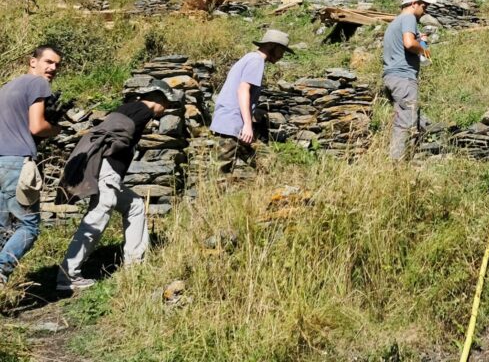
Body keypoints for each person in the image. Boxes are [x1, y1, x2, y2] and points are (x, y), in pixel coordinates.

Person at [56, 81, 182, 293]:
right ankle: (68, 275)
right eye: (166, 105)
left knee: (134, 205)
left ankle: (135, 266)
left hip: (107, 171)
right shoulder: (142, 110)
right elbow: (116, 135)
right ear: (158, 98)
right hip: (108, 170)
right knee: (98, 216)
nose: (166, 110)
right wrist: (118, 149)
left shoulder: (130, 109)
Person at [0, 45, 63, 285]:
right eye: (48, 62)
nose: (53, 68)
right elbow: (37, 127)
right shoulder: (38, 84)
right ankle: (2, 270)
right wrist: (56, 129)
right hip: (17, 163)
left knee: (3, 228)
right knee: (29, 226)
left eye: (57, 64)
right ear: (32, 61)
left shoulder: (7, 87)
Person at [210, 28, 291, 173]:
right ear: (273, 46)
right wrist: (247, 125)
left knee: (268, 165)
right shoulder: (256, 61)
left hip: (230, 122)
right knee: (220, 174)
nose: (282, 56)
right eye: (282, 51)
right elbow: (243, 90)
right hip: (233, 124)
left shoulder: (249, 58)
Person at [382, 0, 435, 160]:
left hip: (390, 77)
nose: (425, 10)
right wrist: (423, 49)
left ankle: (405, 159)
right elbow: (408, 44)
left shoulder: (394, 23)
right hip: (403, 78)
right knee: (406, 124)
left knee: (407, 118)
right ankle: (397, 166)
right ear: (414, 4)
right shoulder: (409, 18)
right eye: (424, 6)